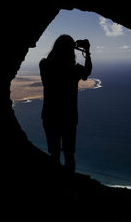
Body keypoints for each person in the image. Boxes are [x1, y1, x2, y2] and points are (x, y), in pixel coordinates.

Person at [39, 34, 92, 173]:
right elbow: (87, 72)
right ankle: (69, 187)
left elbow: (52, 62)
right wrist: (86, 51)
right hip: (69, 118)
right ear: (71, 51)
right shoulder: (74, 70)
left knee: (54, 155)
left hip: (50, 116)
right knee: (69, 155)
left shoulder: (44, 65)